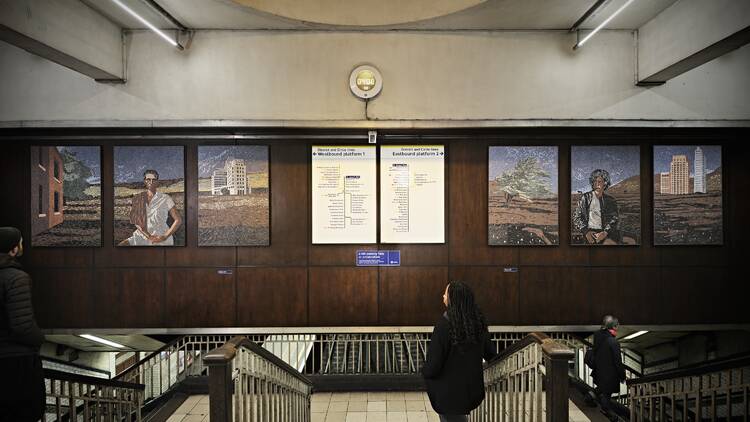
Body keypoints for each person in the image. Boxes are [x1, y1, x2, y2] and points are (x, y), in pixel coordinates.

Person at [422, 281, 497, 422]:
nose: (443, 296)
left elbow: (433, 365)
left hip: (447, 395)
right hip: (471, 391)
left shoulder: (444, 325)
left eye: (445, 294)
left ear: (452, 299)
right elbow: (491, 354)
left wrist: (424, 373)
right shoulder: (478, 323)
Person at [0, 227, 45, 421]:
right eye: (21, 242)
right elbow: (22, 326)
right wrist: (40, 339)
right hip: (16, 361)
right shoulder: (16, 278)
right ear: (13, 249)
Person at [119, 169, 182, 246]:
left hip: (160, 235)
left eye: (154, 179)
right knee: (121, 246)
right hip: (142, 235)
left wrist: (165, 236)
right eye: (148, 179)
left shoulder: (165, 198)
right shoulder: (138, 198)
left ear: (157, 181)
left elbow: (178, 220)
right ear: (145, 181)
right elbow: (136, 221)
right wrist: (148, 236)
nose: (151, 182)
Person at [590, 315, 626, 421]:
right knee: (606, 394)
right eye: (617, 325)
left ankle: (588, 396)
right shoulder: (613, 342)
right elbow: (618, 361)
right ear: (614, 327)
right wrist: (622, 375)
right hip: (610, 373)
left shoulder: (599, 337)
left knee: (601, 388)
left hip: (600, 369)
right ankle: (606, 412)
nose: (618, 327)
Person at [572, 169, 621, 245]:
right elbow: (577, 217)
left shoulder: (610, 200)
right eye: (594, 181)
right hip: (589, 232)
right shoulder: (585, 197)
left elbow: (614, 218)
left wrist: (605, 232)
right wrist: (586, 232)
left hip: (605, 232)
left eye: (599, 181)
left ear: (605, 183)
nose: (596, 184)